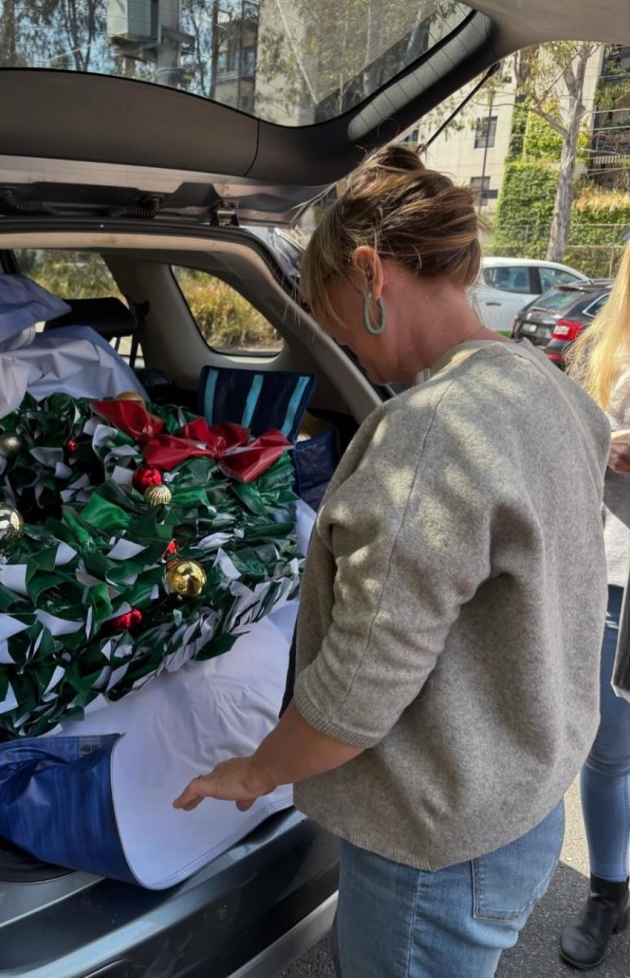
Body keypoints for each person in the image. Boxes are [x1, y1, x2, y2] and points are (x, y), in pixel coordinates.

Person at [173, 144, 612, 978]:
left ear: (370, 274)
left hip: (433, 850)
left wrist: (254, 771)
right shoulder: (544, 384)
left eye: (332, 312)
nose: (337, 340)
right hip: (518, 805)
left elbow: (355, 693)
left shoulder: (432, 430)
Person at [560, 242, 630, 970]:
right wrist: (603, 444)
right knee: (609, 749)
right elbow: (562, 449)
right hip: (616, 576)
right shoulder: (607, 351)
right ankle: (608, 889)